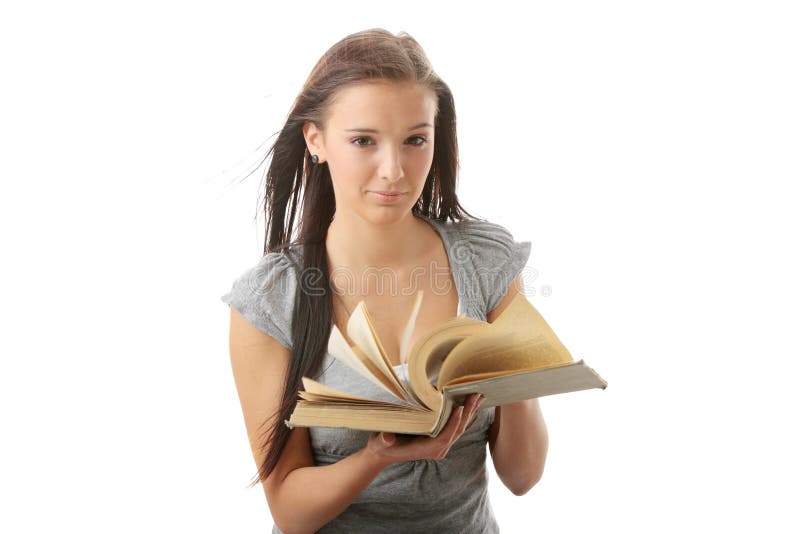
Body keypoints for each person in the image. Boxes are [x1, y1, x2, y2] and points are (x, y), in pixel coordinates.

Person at [220, 28, 549, 534]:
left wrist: (515, 372)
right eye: (363, 141)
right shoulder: (270, 300)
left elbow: (524, 476)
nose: (394, 170)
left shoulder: (487, 263)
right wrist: (377, 456)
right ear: (316, 140)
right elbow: (289, 511)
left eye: (415, 139)